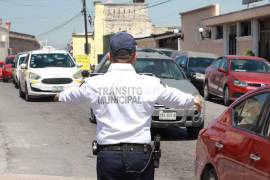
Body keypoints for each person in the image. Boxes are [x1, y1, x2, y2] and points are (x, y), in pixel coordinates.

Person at [54, 32, 202, 180]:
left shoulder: (94, 83)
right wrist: (194, 101)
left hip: (108, 158)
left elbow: (69, 96)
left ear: (110, 57)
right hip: (140, 158)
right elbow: (174, 98)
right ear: (134, 57)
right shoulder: (149, 83)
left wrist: (57, 96)